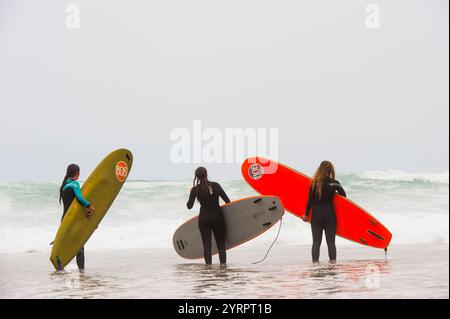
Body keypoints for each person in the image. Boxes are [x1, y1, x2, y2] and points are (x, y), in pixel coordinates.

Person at [302, 161, 346, 263]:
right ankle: (332, 265)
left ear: (320, 169)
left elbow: (310, 201)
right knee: (331, 243)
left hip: (316, 215)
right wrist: (334, 192)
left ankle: (315, 265)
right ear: (330, 170)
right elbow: (344, 196)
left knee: (316, 243)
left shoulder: (314, 183)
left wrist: (306, 215)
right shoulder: (334, 182)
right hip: (330, 215)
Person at [187, 167, 231, 266]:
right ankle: (223, 267)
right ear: (206, 174)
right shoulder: (216, 185)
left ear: (196, 177)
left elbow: (189, 206)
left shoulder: (195, 189)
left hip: (204, 219)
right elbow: (228, 201)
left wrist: (192, 193)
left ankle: (208, 268)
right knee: (221, 245)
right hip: (217, 217)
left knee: (207, 246)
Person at [59, 164, 95, 270]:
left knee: (66, 244)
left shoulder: (64, 185)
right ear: (77, 173)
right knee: (79, 246)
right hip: (72, 220)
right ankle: (81, 272)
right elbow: (79, 198)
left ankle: (59, 268)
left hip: (65, 219)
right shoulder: (74, 184)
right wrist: (90, 206)